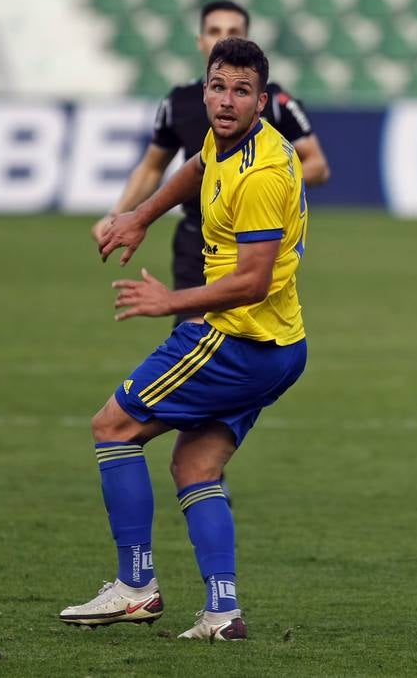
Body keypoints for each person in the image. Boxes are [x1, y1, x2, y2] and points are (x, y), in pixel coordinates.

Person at [60, 38, 308, 642]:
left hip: (238, 339)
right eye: (218, 87)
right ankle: (223, 612)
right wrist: (141, 216)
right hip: (279, 346)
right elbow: (196, 167)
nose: (227, 101)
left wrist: (171, 303)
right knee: (195, 464)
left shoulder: (264, 173)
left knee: (112, 427)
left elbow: (250, 281)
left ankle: (135, 585)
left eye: (241, 91)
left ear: (262, 101)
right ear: (205, 90)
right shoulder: (225, 142)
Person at [91, 0, 329, 324]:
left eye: (233, 31)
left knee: (240, 340)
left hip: (251, 237)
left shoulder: (273, 101)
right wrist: (119, 215)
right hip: (196, 239)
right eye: (214, 31)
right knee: (194, 337)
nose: (222, 39)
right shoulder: (178, 101)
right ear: (200, 41)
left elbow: (316, 165)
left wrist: (259, 183)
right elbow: (153, 167)